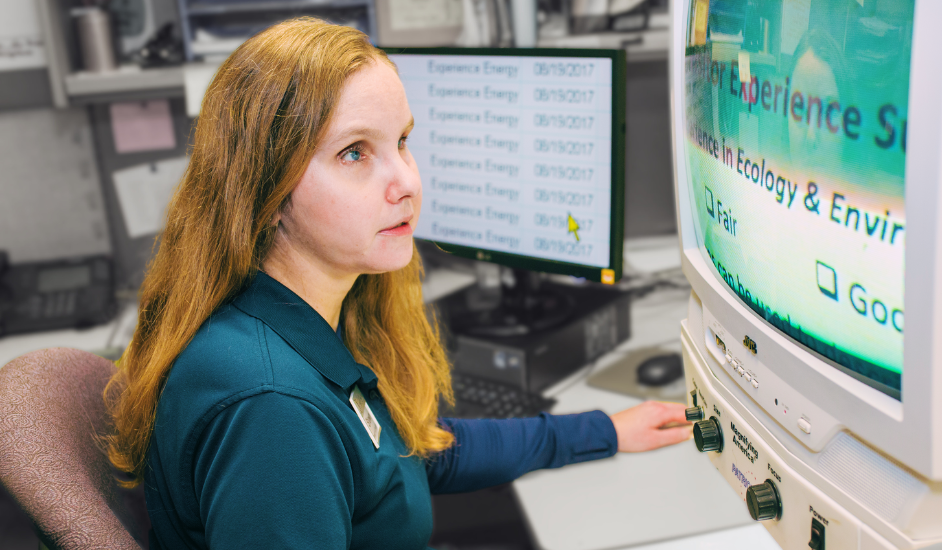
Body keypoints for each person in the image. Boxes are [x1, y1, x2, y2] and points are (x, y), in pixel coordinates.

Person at [105, 17, 692, 550]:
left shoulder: (293, 319)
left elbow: (405, 453)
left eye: (403, 141)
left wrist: (600, 432)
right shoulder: (273, 411)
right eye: (355, 153)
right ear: (268, 192)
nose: (406, 182)